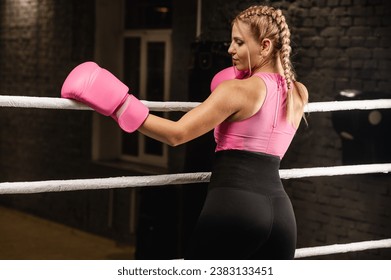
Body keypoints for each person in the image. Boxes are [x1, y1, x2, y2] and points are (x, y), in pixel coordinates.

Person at [61, 5, 308, 259]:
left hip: (234, 209)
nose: (230, 49)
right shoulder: (299, 92)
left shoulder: (237, 91)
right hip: (281, 217)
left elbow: (176, 134)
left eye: (239, 42)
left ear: (265, 46)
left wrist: (120, 104)